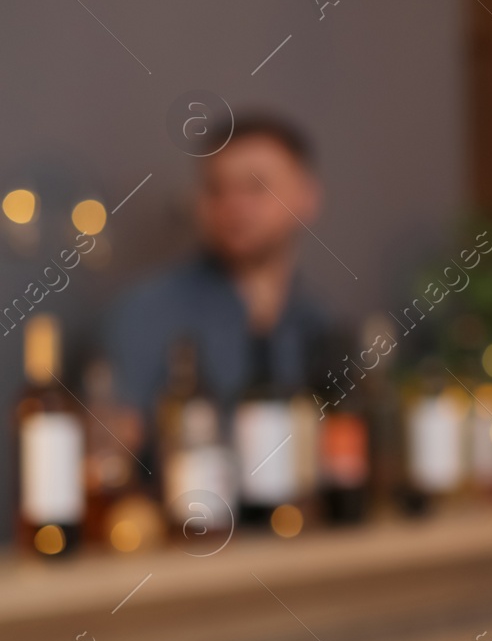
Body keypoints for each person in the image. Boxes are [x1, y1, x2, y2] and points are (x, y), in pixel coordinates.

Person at [106, 113, 330, 419]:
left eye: (256, 187)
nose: (233, 205)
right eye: (216, 189)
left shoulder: (321, 327)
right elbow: (115, 445)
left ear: (307, 196)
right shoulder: (145, 313)